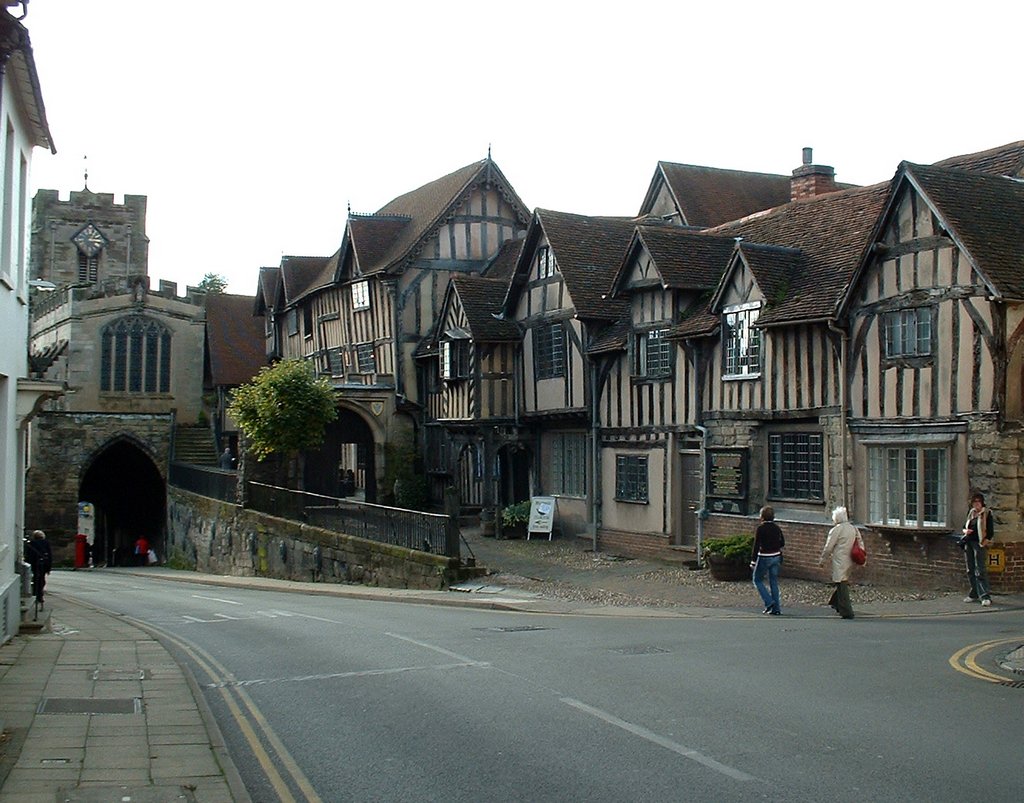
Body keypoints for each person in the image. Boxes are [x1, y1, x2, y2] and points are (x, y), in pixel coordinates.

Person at [819, 506, 862, 619]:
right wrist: (862, 558)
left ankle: (847, 611)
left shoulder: (836, 530)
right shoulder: (853, 529)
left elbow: (828, 547)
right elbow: (860, 543)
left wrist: (822, 560)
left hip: (839, 560)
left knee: (841, 583)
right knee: (843, 581)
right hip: (851, 559)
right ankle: (836, 603)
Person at [960, 492, 994, 607]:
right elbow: (964, 526)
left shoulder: (987, 513)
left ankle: (985, 595)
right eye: (974, 502)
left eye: (978, 501)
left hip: (979, 543)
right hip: (969, 543)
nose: (976, 504)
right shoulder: (971, 513)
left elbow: (990, 531)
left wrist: (984, 542)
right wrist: (966, 531)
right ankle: (974, 593)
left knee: (980, 569)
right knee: (970, 569)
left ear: (982, 503)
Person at [751, 505, 785, 615]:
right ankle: (776, 609)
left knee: (757, 579)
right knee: (773, 582)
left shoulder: (761, 528)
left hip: (764, 556)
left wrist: (753, 560)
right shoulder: (777, 528)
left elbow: (756, 545)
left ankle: (769, 601)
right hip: (776, 556)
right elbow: (782, 542)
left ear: (762, 517)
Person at [24, 530, 52, 606]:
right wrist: (49, 568)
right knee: (42, 579)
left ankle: (35, 593)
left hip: (34, 564)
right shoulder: (46, 543)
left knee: (36, 578)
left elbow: (28, 555)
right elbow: (49, 555)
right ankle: (40, 595)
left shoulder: (31, 543)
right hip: (44, 564)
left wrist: (28, 563)